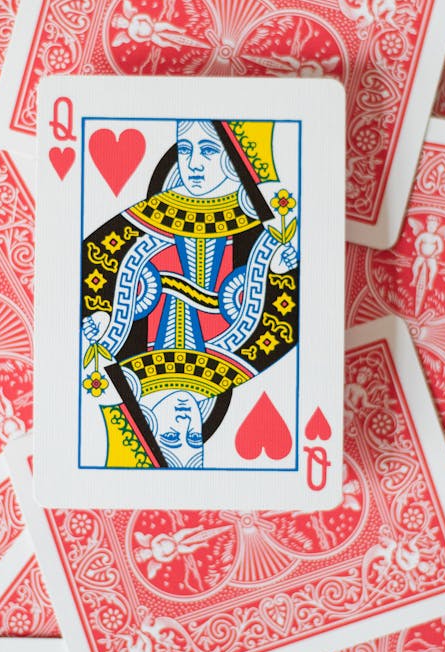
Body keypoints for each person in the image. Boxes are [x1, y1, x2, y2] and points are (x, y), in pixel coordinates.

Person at [81, 118, 299, 469]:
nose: (183, 423)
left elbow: (88, 273)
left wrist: (94, 321)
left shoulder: (109, 357)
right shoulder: (244, 361)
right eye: (193, 436)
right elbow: (289, 312)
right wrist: (288, 262)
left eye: (209, 150)